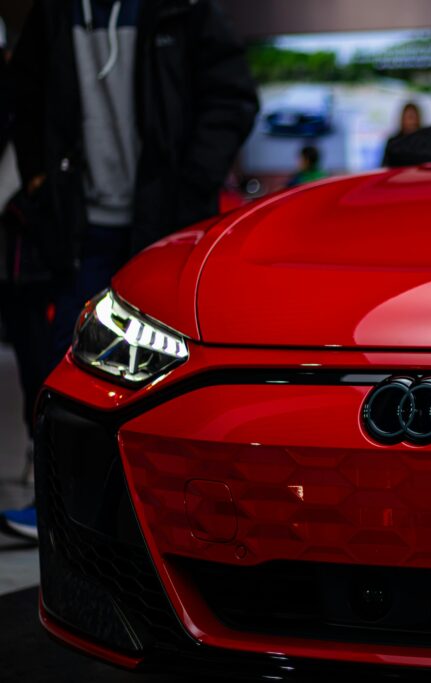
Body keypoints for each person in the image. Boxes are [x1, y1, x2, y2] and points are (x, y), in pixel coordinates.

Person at [0, 0, 258, 542]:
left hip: (162, 224)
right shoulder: (58, 13)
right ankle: (59, 510)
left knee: (169, 371)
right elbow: (21, 96)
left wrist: (193, 181)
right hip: (78, 226)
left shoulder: (182, 9)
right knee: (65, 369)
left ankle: (172, 516)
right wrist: (40, 180)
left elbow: (231, 96)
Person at [381, 102, 422, 167]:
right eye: (409, 117)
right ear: (402, 119)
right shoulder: (393, 143)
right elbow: (385, 167)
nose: (411, 122)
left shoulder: (424, 142)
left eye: (413, 118)